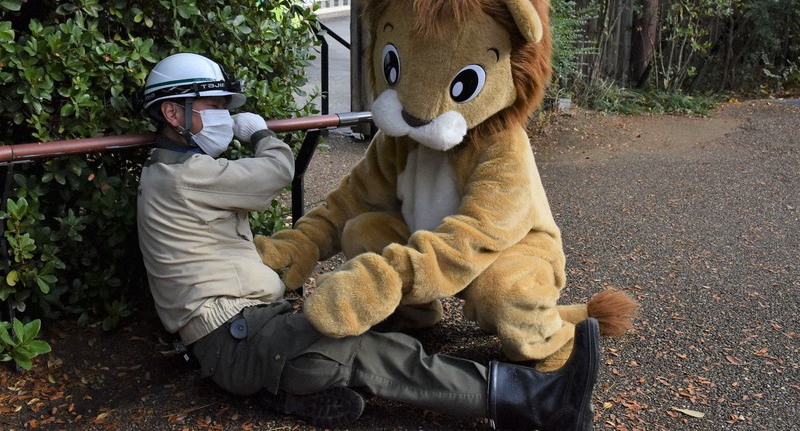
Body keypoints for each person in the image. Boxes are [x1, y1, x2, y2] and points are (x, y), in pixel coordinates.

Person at [134, 51, 602, 430]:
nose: (222, 116)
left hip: (242, 335)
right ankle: (535, 400)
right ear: (174, 112)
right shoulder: (181, 176)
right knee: (372, 353)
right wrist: (260, 135)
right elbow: (276, 171)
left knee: (332, 346)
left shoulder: (172, 171)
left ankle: (291, 393)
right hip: (235, 341)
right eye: (213, 106)